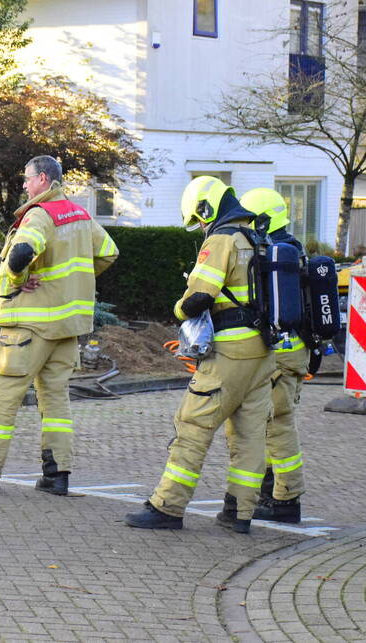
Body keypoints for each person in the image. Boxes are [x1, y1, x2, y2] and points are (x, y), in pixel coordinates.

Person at [0, 156, 119, 495]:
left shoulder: (39, 215)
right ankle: (57, 476)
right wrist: (72, 282)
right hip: (66, 329)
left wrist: (19, 278)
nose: (24, 185)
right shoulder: (79, 214)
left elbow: (20, 254)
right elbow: (109, 252)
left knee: (1, 396)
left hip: (29, 327)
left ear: (42, 179)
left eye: (26, 179)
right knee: (56, 401)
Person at [124, 175, 275, 533]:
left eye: (200, 217)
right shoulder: (259, 239)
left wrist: (176, 310)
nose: (202, 225)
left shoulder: (222, 240)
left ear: (207, 208)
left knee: (193, 425)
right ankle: (239, 513)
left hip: (229, 353)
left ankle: (167, 506)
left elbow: (198, 299)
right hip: (263, 351)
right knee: (250, 436)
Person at [237, 187, 309, 523]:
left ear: (263, 219)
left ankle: (286, 501)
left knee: (278, 426)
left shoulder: (275, 255)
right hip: (293, 350)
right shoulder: (293, 250)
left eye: (252, 220)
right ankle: (272, 493)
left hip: (281, 353)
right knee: (269, 425)